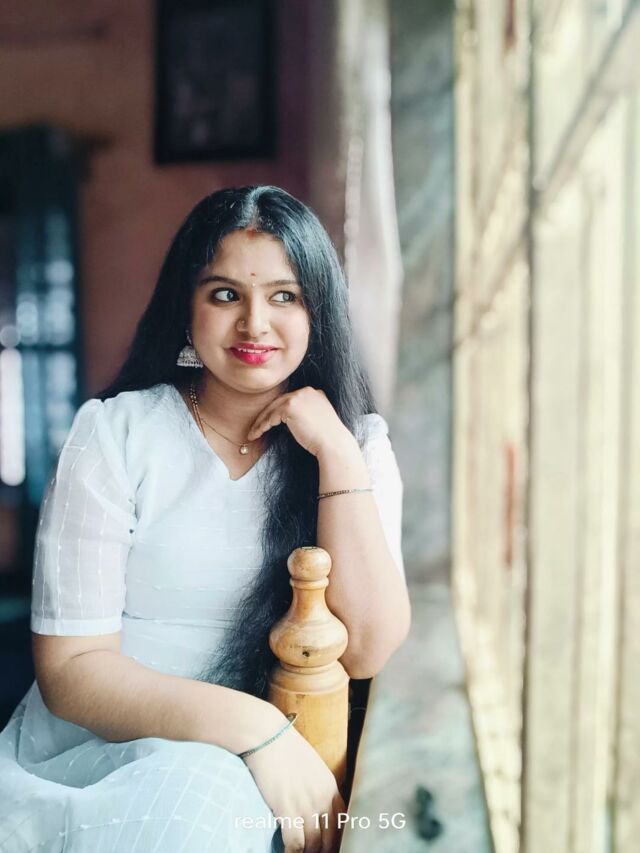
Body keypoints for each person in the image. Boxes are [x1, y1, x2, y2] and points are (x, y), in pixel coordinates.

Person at [0, 185, 411, 852]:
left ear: (319, 311)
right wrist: (258, 731)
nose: (255, 323)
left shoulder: (355, 444)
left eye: (285, 296)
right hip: (101, 753)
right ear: (186, 307)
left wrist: (335, 452)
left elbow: (367, 649)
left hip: (267, 771)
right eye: (225, 294)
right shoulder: (115, 433)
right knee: (196, 794)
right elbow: (71, 668)